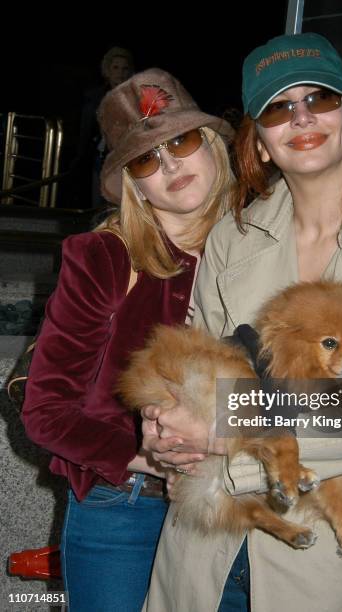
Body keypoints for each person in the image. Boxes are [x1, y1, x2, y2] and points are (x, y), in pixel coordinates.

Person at [140, 33, 342, 612]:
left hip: (315, 551)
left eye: (320, 99)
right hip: (202, 545)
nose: (301, 116)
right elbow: (186, 360)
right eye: (278, 107)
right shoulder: (231, 236)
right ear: (259, 144)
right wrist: (159, 423)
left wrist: (220, 435)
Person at [21, 67, 234, 612]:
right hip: (126, 505)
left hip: (233, 504)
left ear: (210, 142)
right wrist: (143, 455)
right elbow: (44, 410)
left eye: (181, 141)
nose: (169, 166)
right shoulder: (106, 258)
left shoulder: (261, 247)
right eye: (145, 158)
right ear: (133, 183)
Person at [74, 47, 135, 207]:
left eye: (124, 68)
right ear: (107, 70)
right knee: (98, 208)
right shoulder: (94, 97)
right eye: (115, 68)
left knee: (120, 209)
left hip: (126, 162)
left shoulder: (135, 98)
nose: (120, 73)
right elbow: (85, 132)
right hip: (100, 160)